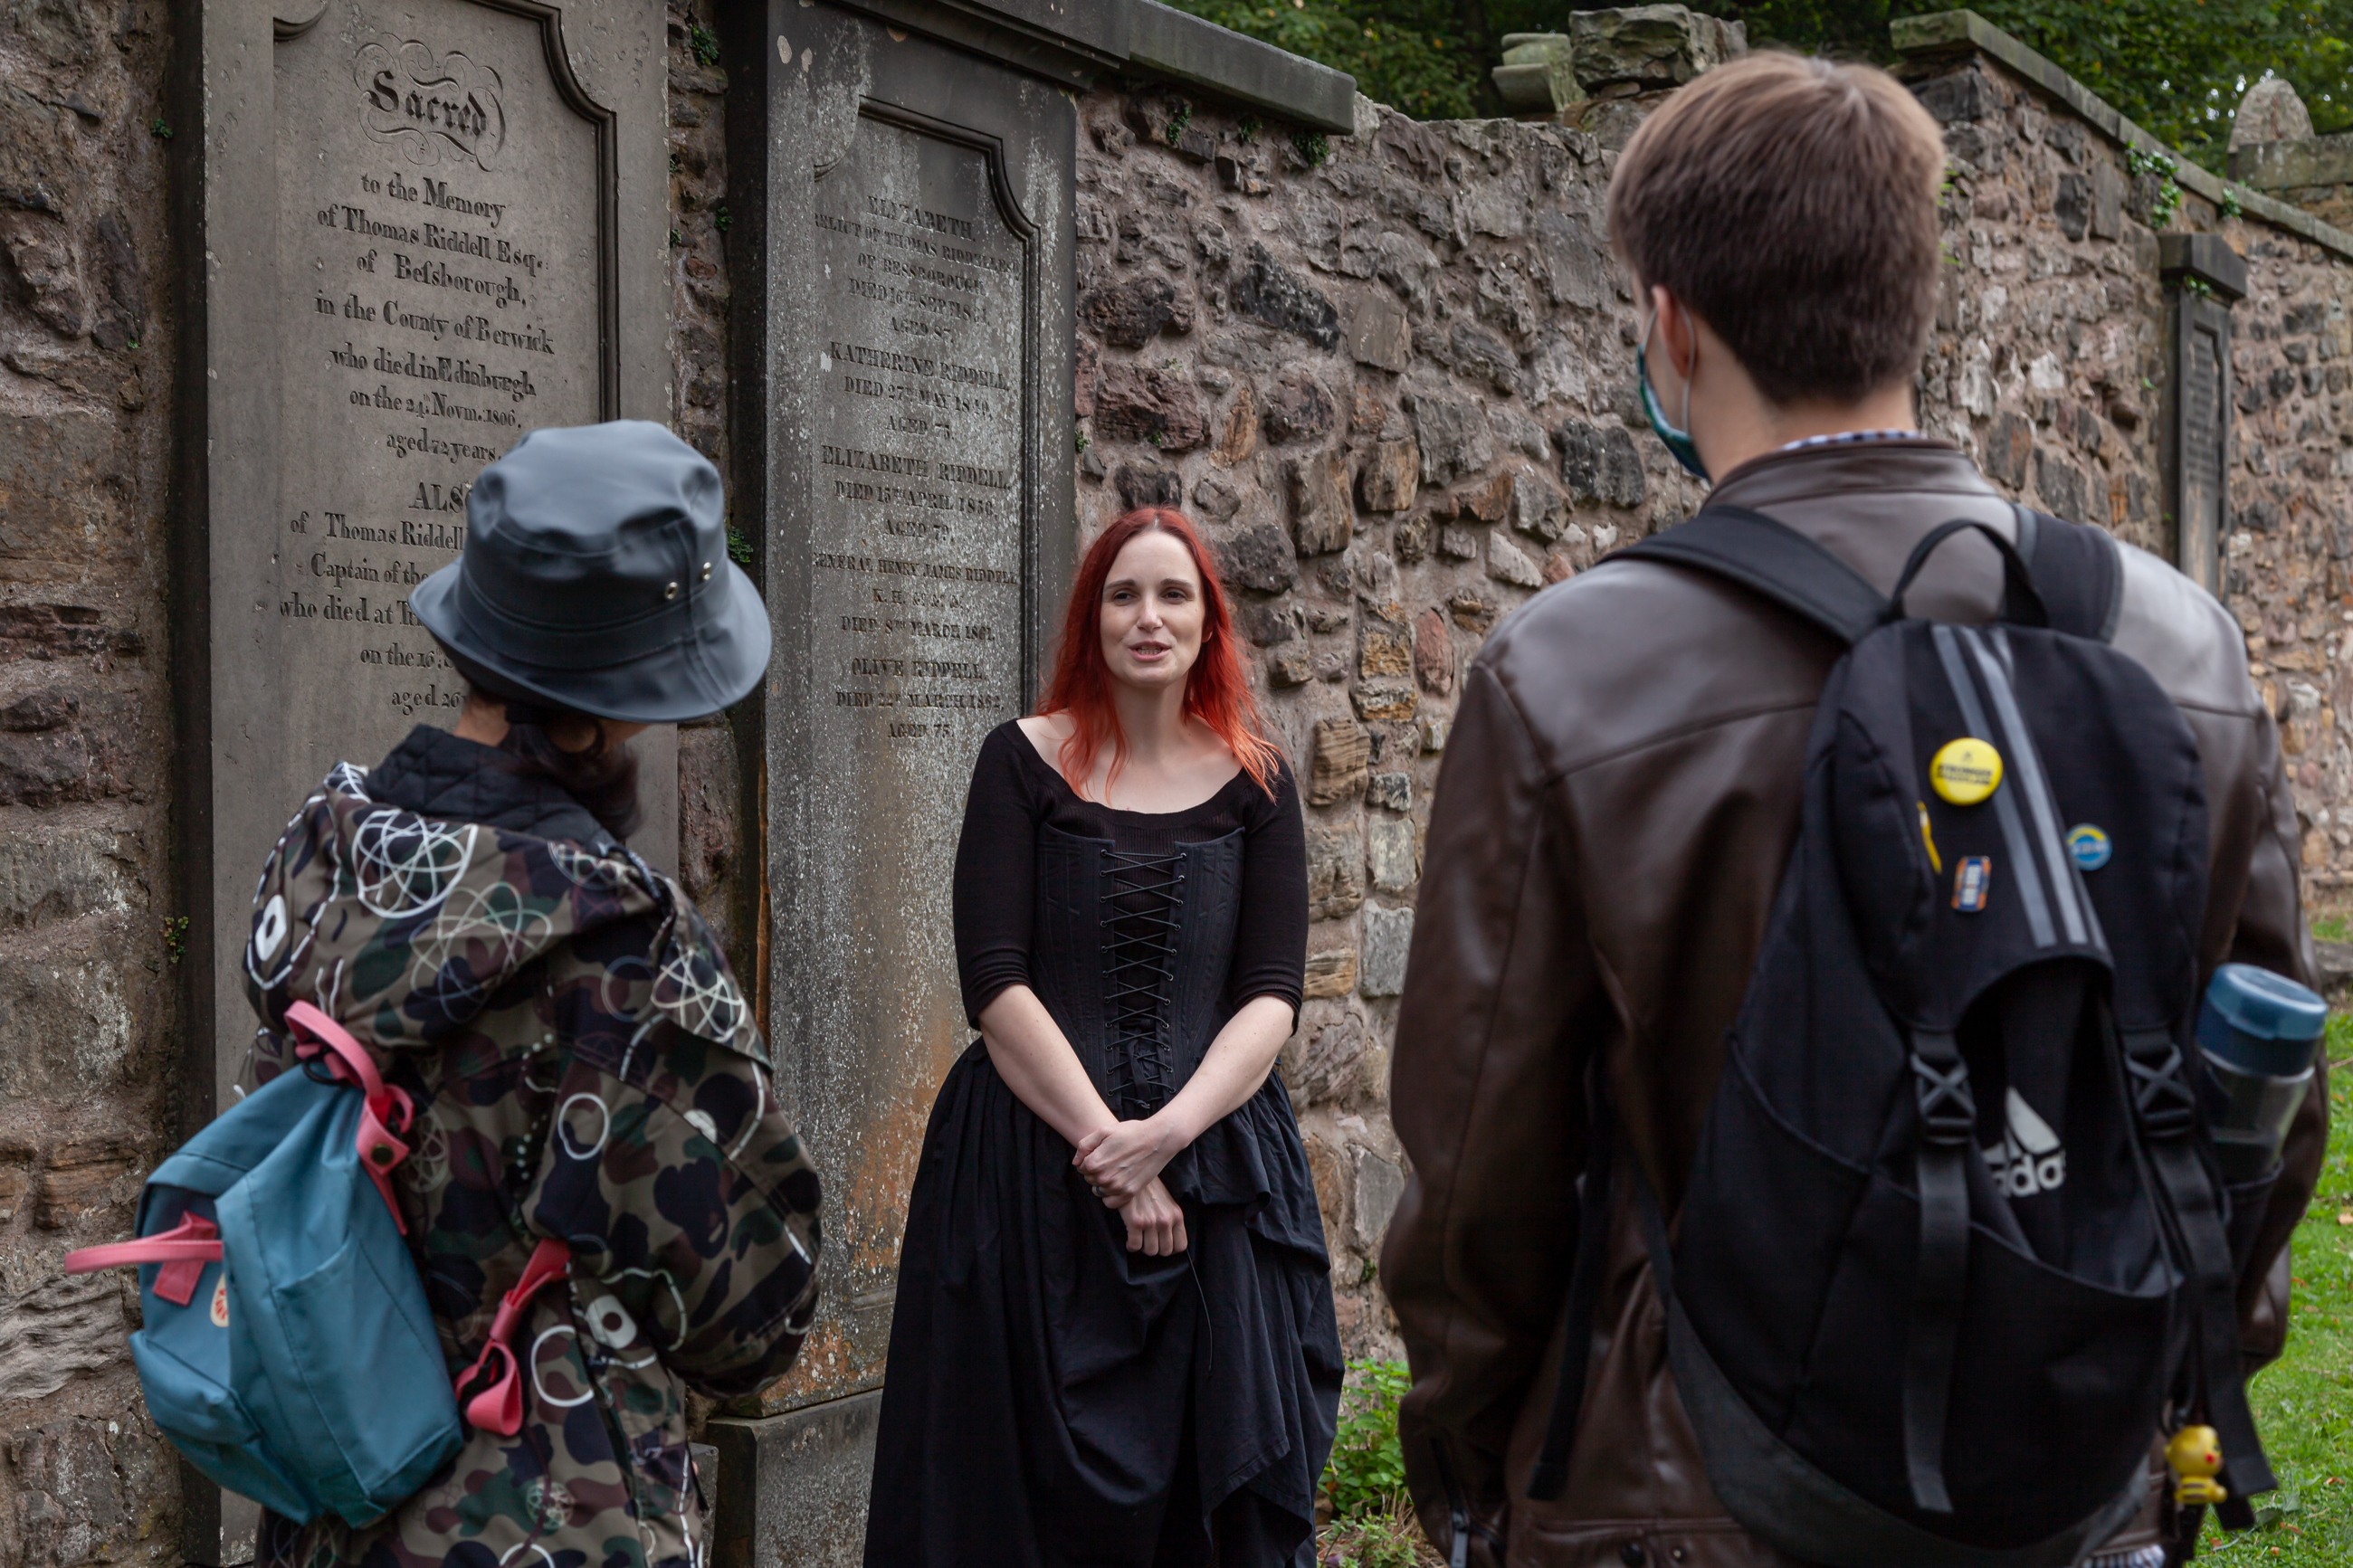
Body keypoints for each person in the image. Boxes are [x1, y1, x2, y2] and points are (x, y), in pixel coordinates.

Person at [1380, 52, 2323, 1568]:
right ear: (1919, 299)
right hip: (2079, 1500)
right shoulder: (2178, 643)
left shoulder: (1567, 670)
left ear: (1671, 328)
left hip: (1684, 1495)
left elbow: (1481, 1178)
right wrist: (2150, 1397)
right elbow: (2261, 1114)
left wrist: (1474, 1469)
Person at [240, 421, 824, 1568]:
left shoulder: (319, 865)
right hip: (554, 1517)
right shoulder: (624, 955)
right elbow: (757, 1311)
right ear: (603, 708)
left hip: (331, 1495)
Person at [864, 507, 1343, 1567]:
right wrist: (1113, 1156)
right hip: (1025, 1177)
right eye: (1124, 593)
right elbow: (994, 981)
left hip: (1214, 1175)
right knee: (1011, 1500)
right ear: (1091, 616)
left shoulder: (1257, 780)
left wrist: (1165, 1134)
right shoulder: (1019, 761)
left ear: (1207, 622)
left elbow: (1269, 994)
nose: (1149, 617)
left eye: (1174, 595)